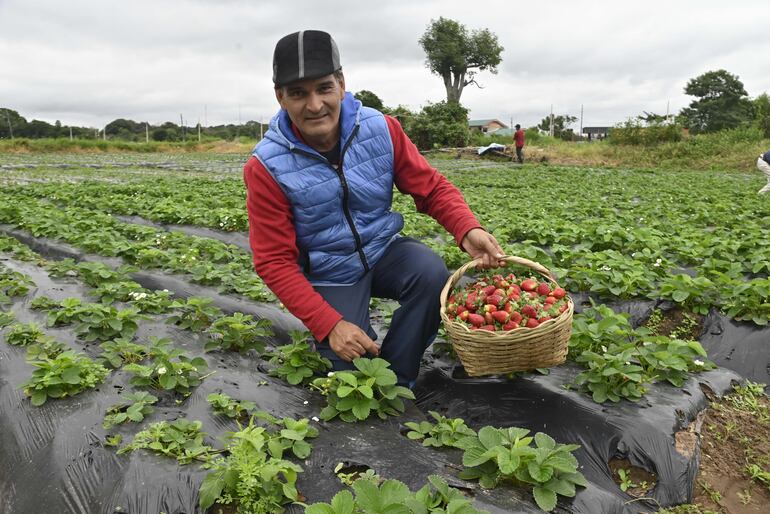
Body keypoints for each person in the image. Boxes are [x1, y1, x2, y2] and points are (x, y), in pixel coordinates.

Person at [243, 30, 505, 387]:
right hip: (329, 269)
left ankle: (397, 375)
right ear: (280, 98)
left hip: (382, 250)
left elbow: (430, 187)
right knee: (348, 364)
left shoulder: (380, 128)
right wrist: (329, 324)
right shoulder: (267, 166)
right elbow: (273, 261)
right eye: (298, 94)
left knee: (430, 273)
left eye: (323, 88)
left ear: (341, 83)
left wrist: (467, 228)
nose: (315, 105)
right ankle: (353, 354)